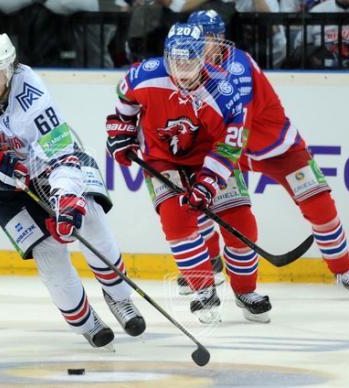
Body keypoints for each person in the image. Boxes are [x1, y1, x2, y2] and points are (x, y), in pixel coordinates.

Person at [0, 31, 146, 348]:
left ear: (9, 69)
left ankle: (119, 297)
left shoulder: (32, 94)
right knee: (49, 253)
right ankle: (86, 323)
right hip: (5, 191)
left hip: (51, 169)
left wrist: (66, 198)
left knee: (90, 220)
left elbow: (62, 153)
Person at [189, 9, 349, 299]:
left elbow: (239, 118)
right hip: (229, 151)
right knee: (200, 199)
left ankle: (343, 270)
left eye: (212, 37)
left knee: (321, 208)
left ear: (222, 38)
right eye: (202, 38)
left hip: (276, 146)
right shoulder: (186, 70)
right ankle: (211, 262)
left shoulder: (237, 65)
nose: (207, 44)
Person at [106, 23, 272, 324]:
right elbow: (124, 103)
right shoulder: (144, 75)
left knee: (242, 225)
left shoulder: (224, 93)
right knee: (176, 222)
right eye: (176, 61)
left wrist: (207, 184)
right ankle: (204, 292)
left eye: (190, 61)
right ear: (167, 57)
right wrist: (122, 131)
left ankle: (246, 291)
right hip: (161, 158)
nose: (182, 70)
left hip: (209, 157)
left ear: (203, 59)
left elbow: (229, 147)